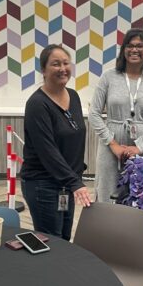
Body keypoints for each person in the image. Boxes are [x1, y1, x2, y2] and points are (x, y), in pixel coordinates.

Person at [21, 44, 91, 241]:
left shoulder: (74, 96)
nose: (62, 68)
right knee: (52, 242)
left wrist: (73, 178)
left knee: (64, 239)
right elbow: (47, 151)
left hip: (65, 183)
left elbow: (74, 140)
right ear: (43, 70)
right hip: (43, 184)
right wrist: (74, 183)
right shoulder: (37, 104)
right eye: (55, 64)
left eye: (66, 63)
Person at [89, 28, 143, 202]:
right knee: (107, 197)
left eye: (140, 46)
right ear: (124, 50)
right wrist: (113, 144)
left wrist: (139, 147)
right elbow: (94, 113)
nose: (134, 50)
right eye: (130, 45)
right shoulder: (108, 77)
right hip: (110, 149)